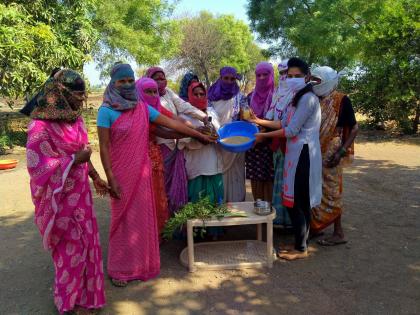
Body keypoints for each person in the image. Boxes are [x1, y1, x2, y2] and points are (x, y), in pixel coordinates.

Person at [97, 64, 215, 287]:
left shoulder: (141, 108)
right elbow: (103, 147)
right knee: (122, 221)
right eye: (121, 81)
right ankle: (120, 269)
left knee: (141, 219)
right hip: (121, 174)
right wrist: (110, 178)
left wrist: (199, 134)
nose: (126, 85)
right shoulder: (105, 111)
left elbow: (171, 123)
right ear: (113, 83)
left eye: (130, 80)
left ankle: (142, 265)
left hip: (142, 173)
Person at [26, 69, 107, 314]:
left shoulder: (76, 120)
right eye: (77, 95)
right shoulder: (39, 127)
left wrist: (95, 177)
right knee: (69, 249)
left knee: (87, 244)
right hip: (59, 200)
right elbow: (37, 166)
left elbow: (84, 154)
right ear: (59, 94)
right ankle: (67, 302)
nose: (81, 101)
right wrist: (73, 159)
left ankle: (88, 297)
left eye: (83, 96)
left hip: (81, 196)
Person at [250, 58, 322, 260]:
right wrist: (258, 121)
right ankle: (301, 243)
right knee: (296, 201)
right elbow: (282, 122)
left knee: (299, 202)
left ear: (307, 77)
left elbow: (290, 130)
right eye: (289, 76)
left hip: (304, 154)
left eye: (297, 76)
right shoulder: (296, 98)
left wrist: (263, 136)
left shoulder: (308, 99)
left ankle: (301, 249)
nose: (292, 80)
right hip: (295, 154)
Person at [146, 67, 207, 214]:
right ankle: (164, 219)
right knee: (163, 185)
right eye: (157, 78)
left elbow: (183, 107)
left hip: (176, 143)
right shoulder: (149, 99)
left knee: (177, 183)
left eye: (163, 77)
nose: (161, 81)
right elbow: (164, 125)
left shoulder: (169, 93)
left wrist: (204, 117)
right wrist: (194, 133)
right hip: (161, 145)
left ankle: (176, 220)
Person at [310, 66, 358, 246]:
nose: (313, 83)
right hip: (314, 151)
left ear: (327, 81)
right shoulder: (313, 98)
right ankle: (315, 227)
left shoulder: (341, 100)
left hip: (331, 152)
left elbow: (354, 128)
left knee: (331, 191)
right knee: (314, 189)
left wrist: (341, 152)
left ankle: (339, 232)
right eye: (312, 79)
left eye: (317, 80)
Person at [180, 81, 224, 203]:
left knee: (216, 205)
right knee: (198, 206)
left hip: (214, 164)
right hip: (197, 166)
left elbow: (219, 130)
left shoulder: (211, 111)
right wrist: (198, 137)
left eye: (202, 94)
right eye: (195, 94)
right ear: (189, 95)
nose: (199, 97)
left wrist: (215, 134)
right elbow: (182, 141)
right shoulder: (184, 116)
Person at [208, 66, 247, 202]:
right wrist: (219, 133)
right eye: (226, 78)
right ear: (220, 78)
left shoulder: (240, 97)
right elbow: (208, 115)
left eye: (232, 79)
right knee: (219, 171)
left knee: (236, 172)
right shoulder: (210, 96)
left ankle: (237, 205)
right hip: (217, 140)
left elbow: (245, 116)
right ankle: (221, 205)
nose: (229, 81)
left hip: (236, 142)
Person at [264, 60, 294, 227]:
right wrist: (256, 123)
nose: (284, 78)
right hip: (277, 144)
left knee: (288, 183)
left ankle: (290, 221)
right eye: (281, 74)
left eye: (287, 74)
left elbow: (287, 125)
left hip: (291, 145)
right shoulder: (278, 93)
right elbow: (270, 116)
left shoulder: (297, 95)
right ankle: (280, 220)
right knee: (279, 181)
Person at [245, 62, 275, 202]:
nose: (262, 78)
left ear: (272, 75)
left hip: (271, 143)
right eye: (259, 75)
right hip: (253, 144)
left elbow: (281, 121)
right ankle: (258, 211)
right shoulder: (250, 97)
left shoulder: (278, 96)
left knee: (270, 179)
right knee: (256, 178)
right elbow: (246, 119)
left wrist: (263, 134)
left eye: (265, 74)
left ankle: (269, 214)